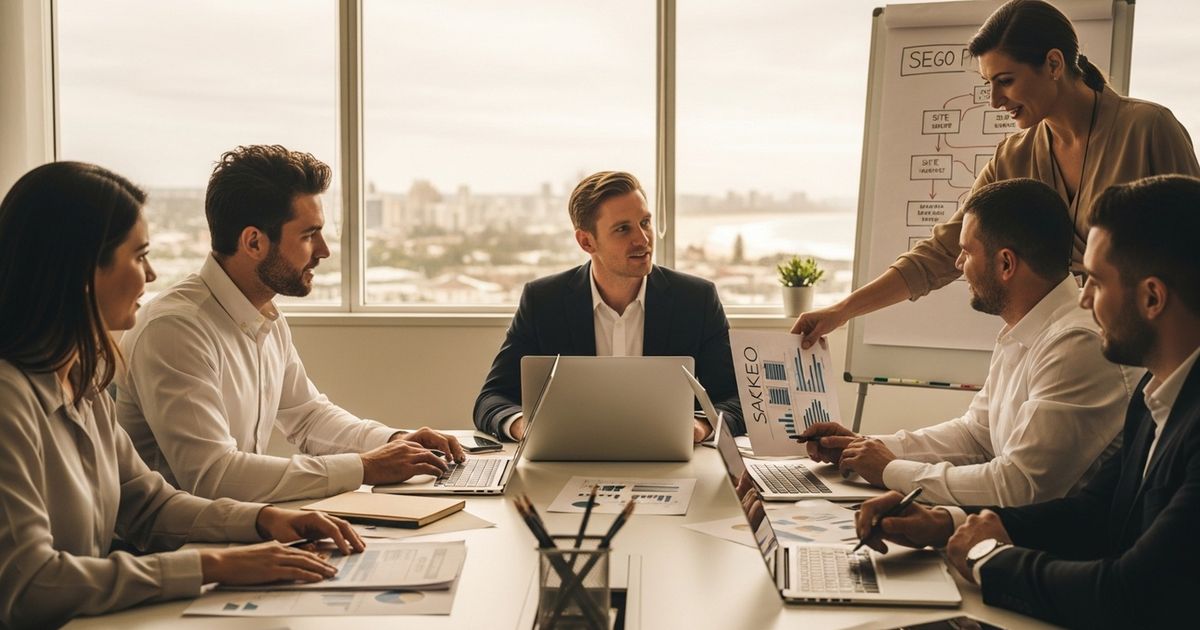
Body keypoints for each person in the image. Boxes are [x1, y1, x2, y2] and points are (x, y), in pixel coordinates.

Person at [0, 162, 367, 629]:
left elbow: (149, 505)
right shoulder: (9, 399)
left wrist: (262, 521)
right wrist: (211, 566)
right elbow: (29, 585)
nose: (151, 276)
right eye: (138, 257)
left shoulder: (82, 383)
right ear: (81, 271)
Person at [854, 175, 1200, 628]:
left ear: (1152, 297)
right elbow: (1093, 513)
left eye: (1094, 281)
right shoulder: (1153, 398)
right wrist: (946, 523)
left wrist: (987, 558)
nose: (1085, 299)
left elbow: (1129, 592)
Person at [792, 0, 1199, 348]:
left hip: (1147, 349)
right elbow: (944, 251)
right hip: (1066, 349)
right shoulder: (1015, 155)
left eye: (1006, 81)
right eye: (989, 83)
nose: (994, 100)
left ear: (1054, 64)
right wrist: (841, 311)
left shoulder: (1147, 128)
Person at [116, 145, 464, 503]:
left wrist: (392, 442)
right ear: (254, 242)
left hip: (240, 530)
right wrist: (364, 467)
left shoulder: (265, 314)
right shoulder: (175, 330)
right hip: (180, 548)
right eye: (309, 234)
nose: (324, 250)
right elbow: (212, 476)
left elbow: (308, 417)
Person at [798, 178, 1135, 506]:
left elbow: (1020, 485)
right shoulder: (1027, 329)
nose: (958, 265)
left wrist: (889, 469)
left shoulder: (1075, 344)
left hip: (1057, 551)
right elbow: (976, 436)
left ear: (1005, 263)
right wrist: (864, 447)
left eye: (966, 253)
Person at [474, 171, 743, 442]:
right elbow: (491, 399)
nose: (643, 239)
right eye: (623, 229)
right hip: (571, 463)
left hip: (673, 466)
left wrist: (699, 427)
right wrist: (525, 425)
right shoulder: (543, 301)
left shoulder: (696, 300)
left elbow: (736, 401)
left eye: (645, 222)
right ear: (586, 241)